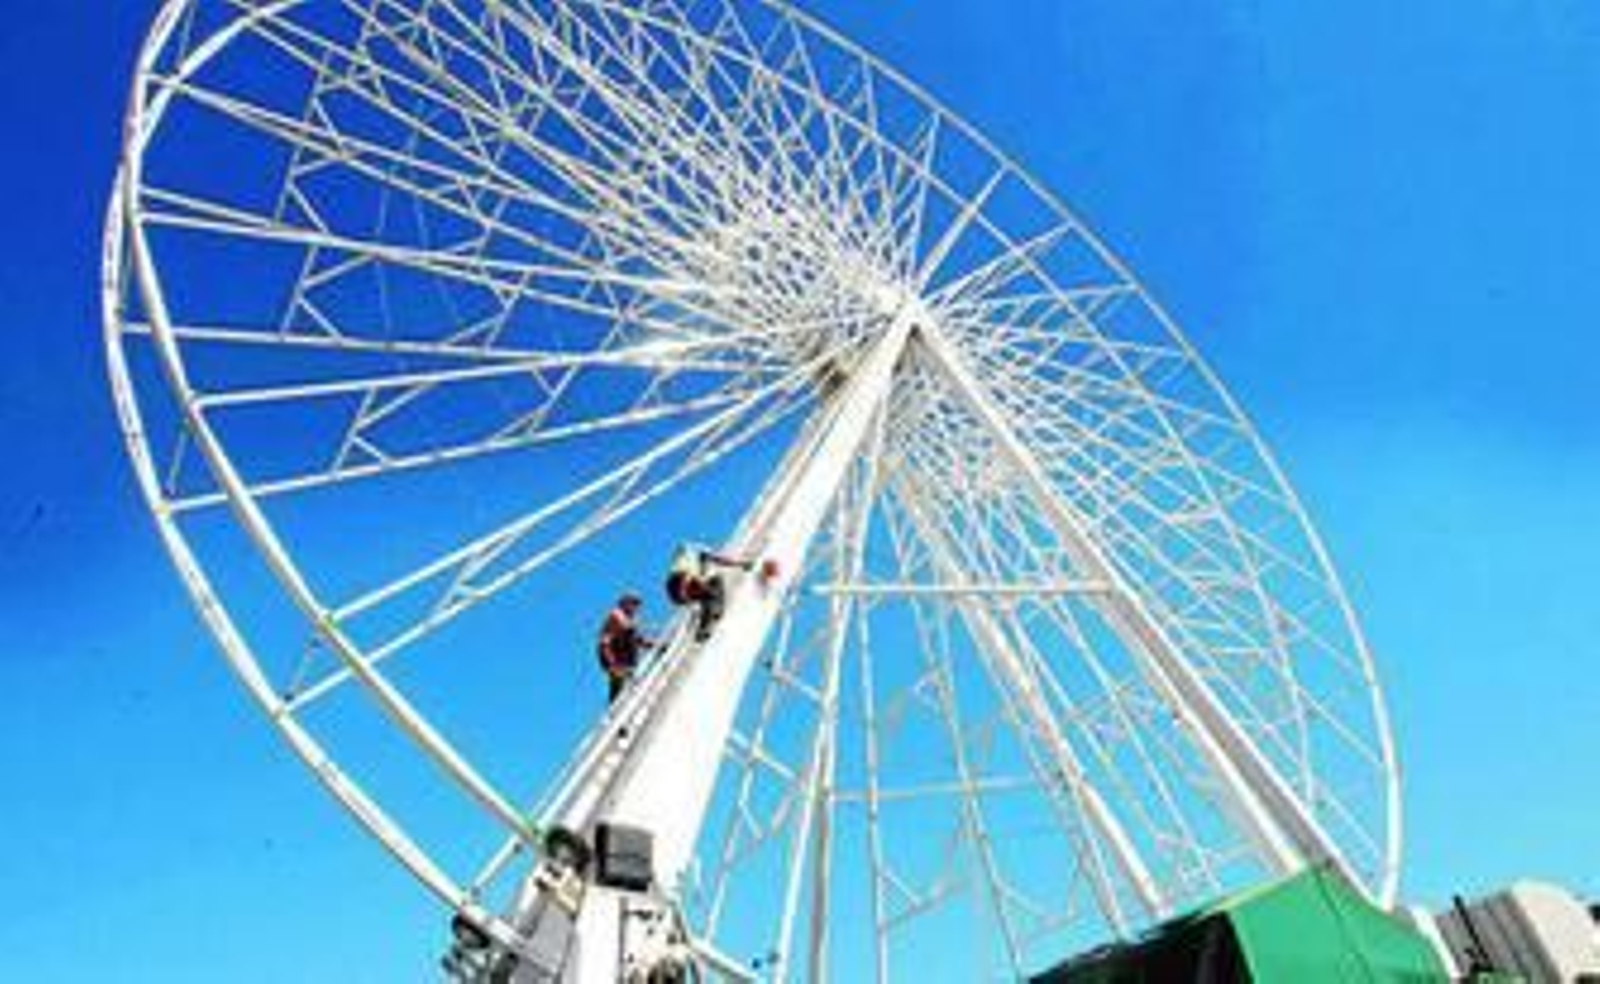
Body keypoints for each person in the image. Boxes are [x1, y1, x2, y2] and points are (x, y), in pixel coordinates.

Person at [664, 543, 755, 642]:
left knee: (706, 595)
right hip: (681, 583)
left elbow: (719, 561)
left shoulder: (681, 559)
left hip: (674, 588)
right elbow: (720, 560)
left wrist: (740, 564)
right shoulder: (693, 553)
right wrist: (741, 564)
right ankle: (710, 619)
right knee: (714, 585)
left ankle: (706, 622)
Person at [596, 592, 653, 705]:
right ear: (625, 603)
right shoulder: (617, 614)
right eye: (634, 604)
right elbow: (607, 641)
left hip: (621, 658)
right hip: (613, 657)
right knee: (618, 683)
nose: (636, 608)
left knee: (619, 688)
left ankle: (615, 703)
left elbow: (637, 639)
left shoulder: (628, 618)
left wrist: (651, 644)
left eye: (637, 605)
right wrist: (612, 665)